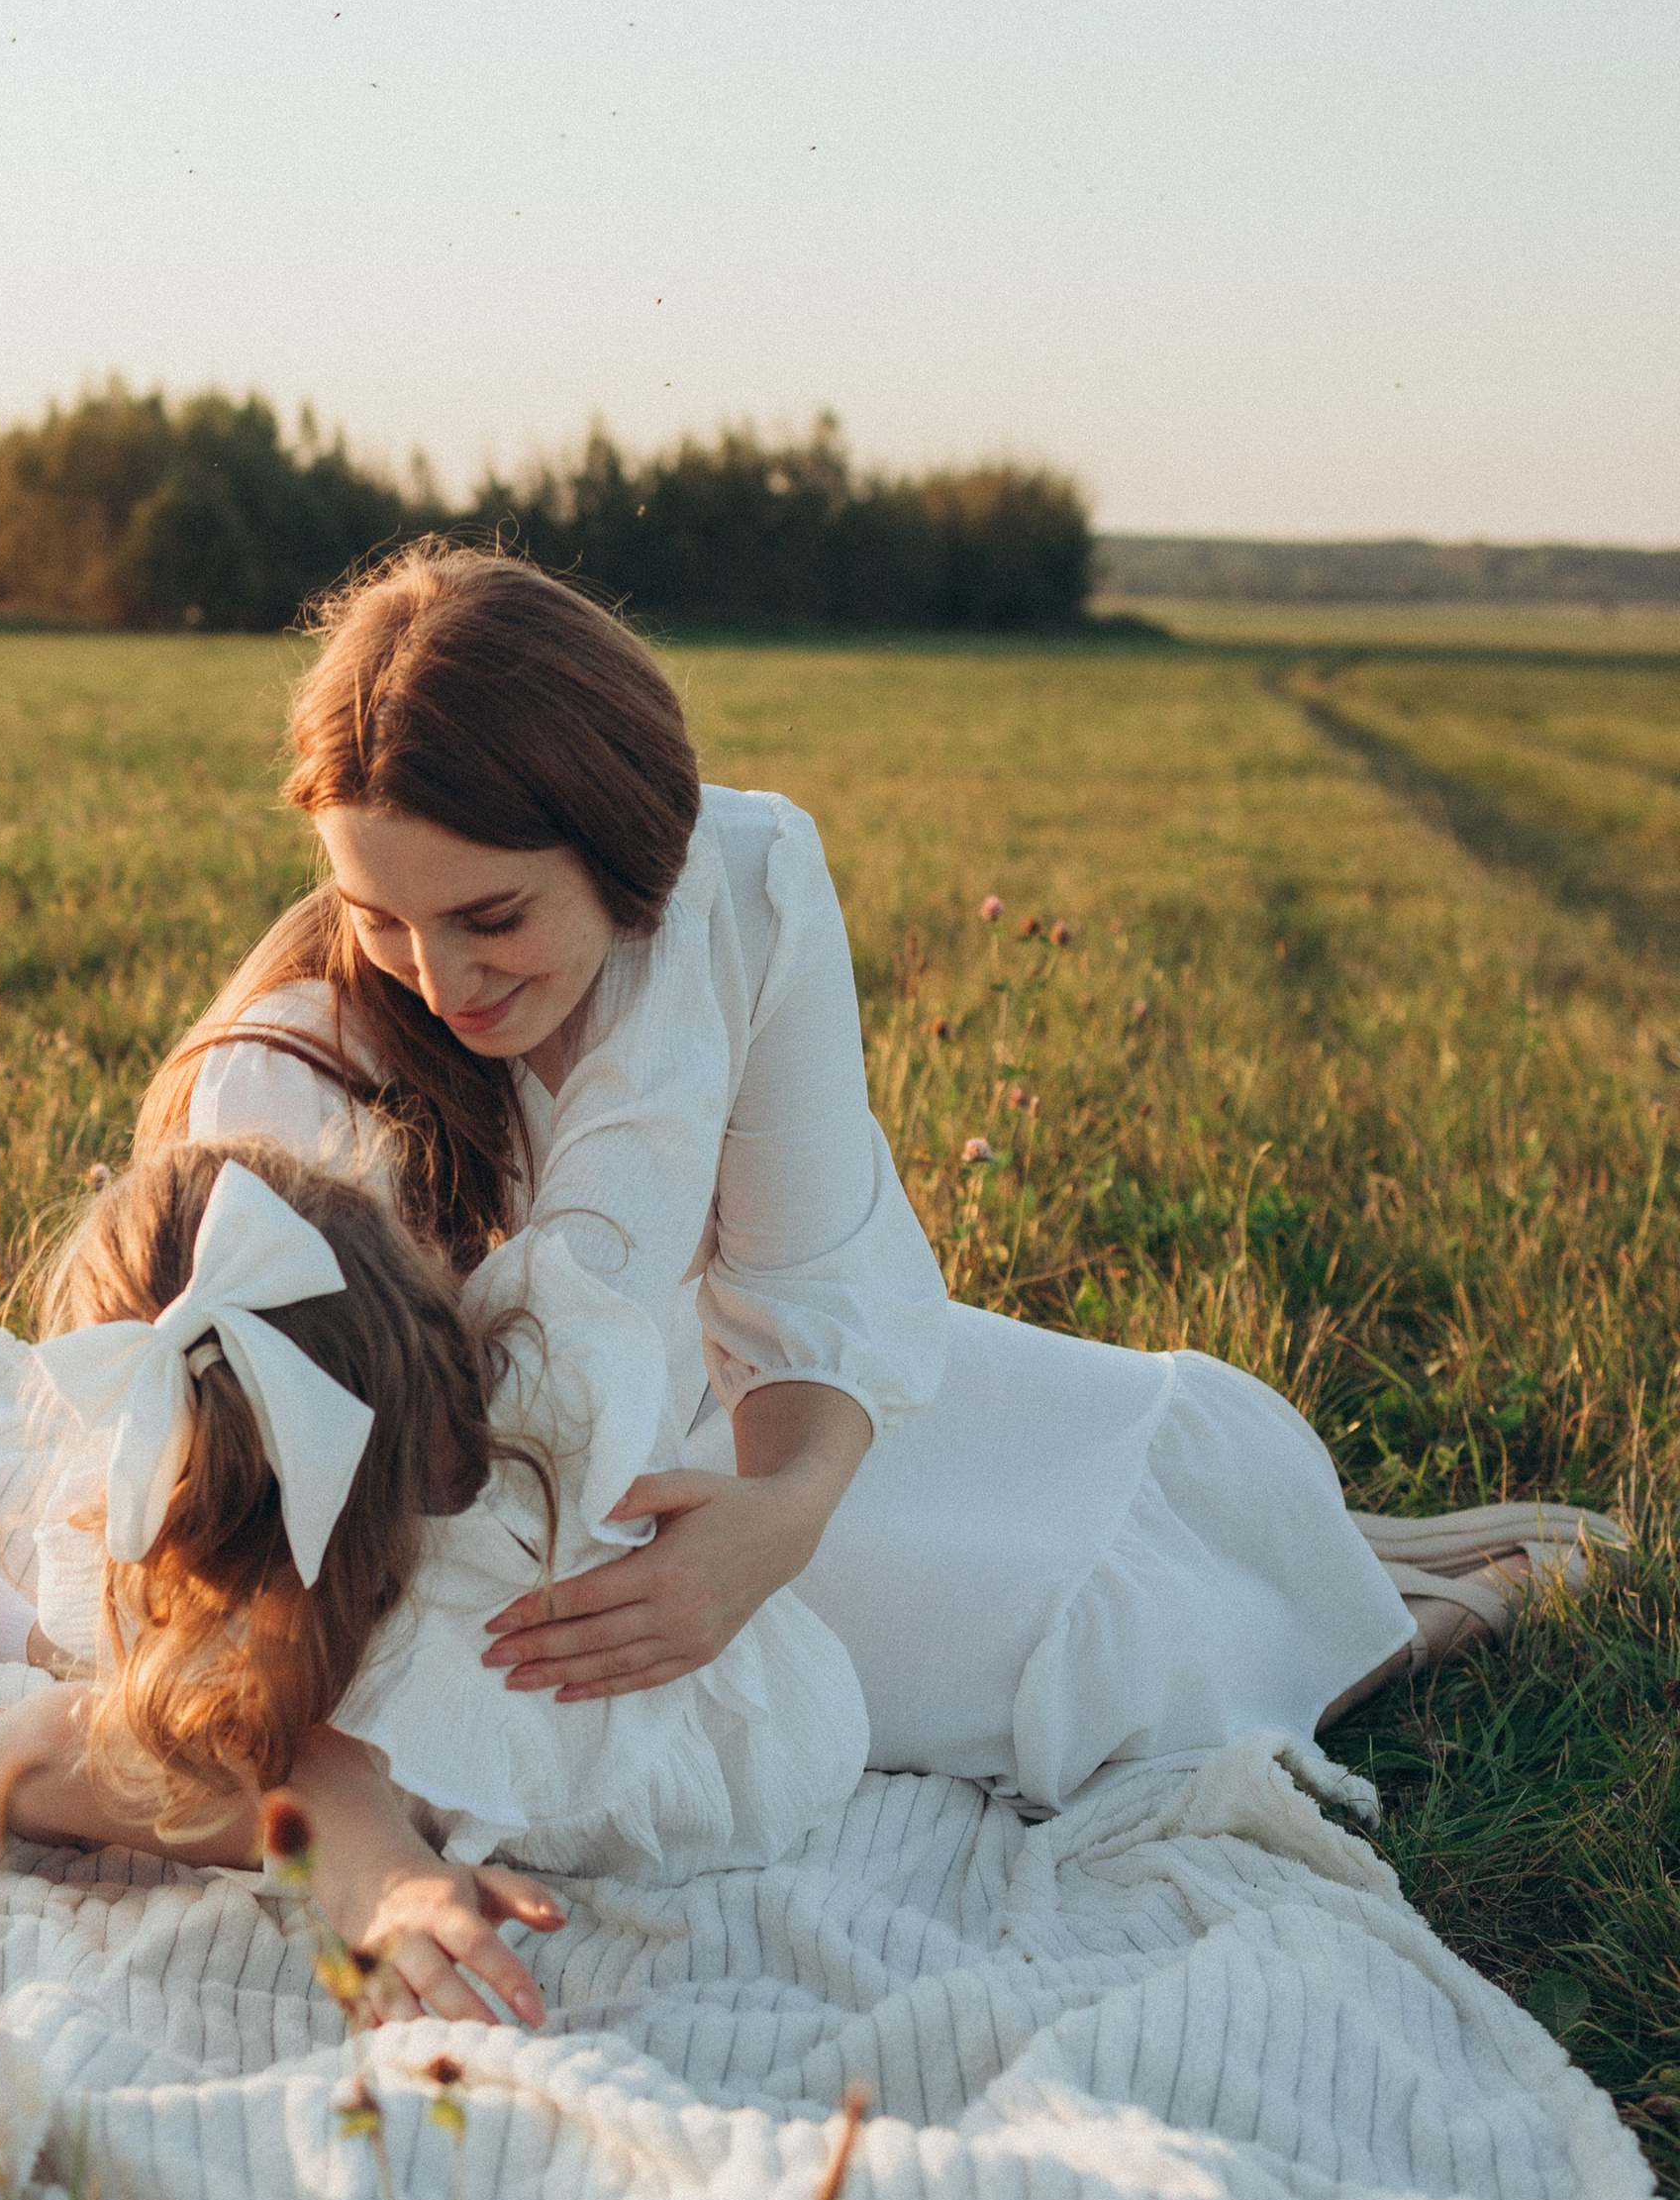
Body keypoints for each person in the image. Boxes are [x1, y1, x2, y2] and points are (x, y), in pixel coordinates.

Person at [144, 544, 1624, 1809]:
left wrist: (784, 1516)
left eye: (492, 916)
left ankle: (1329, 1563)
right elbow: (363, 1526)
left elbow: (805, 1278)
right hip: (505, 1547)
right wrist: (717, 1569)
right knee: (1106, 1654)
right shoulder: (291, 1083)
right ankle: (1390, 1619)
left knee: (1158, 1457)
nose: (439, 975)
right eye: (377, 916)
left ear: (626, 846)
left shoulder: (745, 881)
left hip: (724, 1412)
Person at [0, 1142, 869, 2030]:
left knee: (127, 1767)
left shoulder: (419, 1672)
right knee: (215, 1708)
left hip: (719, 1757)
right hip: (795, 1676)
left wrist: (397, 1887)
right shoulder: (513, 1380)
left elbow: (335, 1798)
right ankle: (43, 1639)